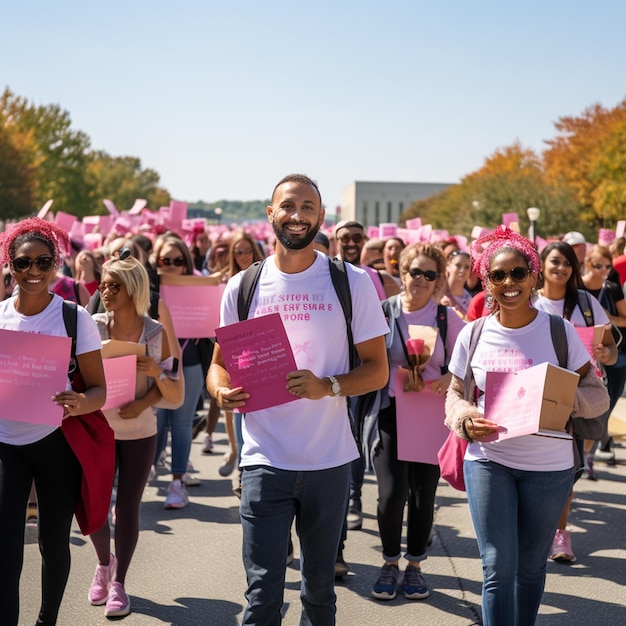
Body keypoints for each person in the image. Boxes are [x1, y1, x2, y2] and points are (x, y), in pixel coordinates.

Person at [207, 173, 389, 626]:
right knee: (262, 597)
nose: (297, 216)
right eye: (288, 206)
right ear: (271, 214)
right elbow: (218, 365)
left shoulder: (352, 282)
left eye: (308, 207)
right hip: (263, 460)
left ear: (321, 217)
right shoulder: (243, 286)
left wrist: (326, 386)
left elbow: (377, 369)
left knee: (319, 594)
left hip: (329, 461)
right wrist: (221, 391)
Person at [444, 225, 608, 626]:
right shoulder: (473, 334)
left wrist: (558, 401)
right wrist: (465, 419)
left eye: (518, 273)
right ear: (487, 281)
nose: (509, 282)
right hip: (488, 462)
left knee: (532, 568)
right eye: (497, 275)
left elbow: (597, 395)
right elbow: (453, 394)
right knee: (497, 569)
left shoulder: (558, 330)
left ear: (533, 275)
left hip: (548, 469)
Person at [0, 218, 107, 626]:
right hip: (6, 444)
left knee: (52, 543)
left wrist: (79, 402)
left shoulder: (73, 318)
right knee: (5, 549)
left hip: (56, 443)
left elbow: (99, 391)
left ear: (56, 265)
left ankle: (47, 621)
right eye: (23, 263)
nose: (33, 272)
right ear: (9, 264)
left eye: (43, 262)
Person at [87, 255, 183, 617]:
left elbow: (172, 391)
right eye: (104, 284)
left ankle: (119, 584)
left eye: (114, 286)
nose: (105, 292)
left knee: (127, 507)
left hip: (140, 431)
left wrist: (151, 383)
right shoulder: (91, 325)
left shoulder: (155, 332)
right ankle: (102, 563)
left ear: (134, 290)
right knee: (94, 505)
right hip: (96, 429)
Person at [370, 243, 465, 601]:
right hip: (392, 413)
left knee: (423, 495)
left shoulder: (446, 318)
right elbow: (367, 358)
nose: (421, 280)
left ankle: (415, 566)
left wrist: (446, 380)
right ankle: (390, 561)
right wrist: (393, 374)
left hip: (431, 415)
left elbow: (466, 364)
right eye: (415, 272)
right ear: (402, 273)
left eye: (430, 274)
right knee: (391, 494)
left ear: (439, 279)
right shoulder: (384, 313)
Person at [534, 241, 617, 562]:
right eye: (555, 261)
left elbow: (610, 349)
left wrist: (604, 353)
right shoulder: (529, 303)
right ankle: (539, 530)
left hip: (578, 397)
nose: (562, 268)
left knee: (568, 470)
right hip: (539, 397)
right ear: (541, 264)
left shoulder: (586, 303)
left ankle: (559, 535)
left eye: (568, 263)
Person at [151, 234, 212, 507]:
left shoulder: (199, 287)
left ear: (186, 262)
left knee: (182, 423)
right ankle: (151, 465)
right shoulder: (147, 290)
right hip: (154, 364)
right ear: (156, 261)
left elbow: (212, 327)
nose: (172, 265)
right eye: (166, 260)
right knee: (158, 423)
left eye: (178, 260)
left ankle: (177, 483)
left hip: (190, 363)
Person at [581, 244, 626, 464]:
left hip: (613, 353)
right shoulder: (576, 289)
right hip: (583, 356)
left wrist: (607, 316)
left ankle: (589, 453)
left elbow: (625, 320)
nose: (603, 270)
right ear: (588, 264)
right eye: (598, 265)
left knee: (605, 405)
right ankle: (581, 454)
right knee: (583, 408)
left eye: (607, 266)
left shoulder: (612, 289)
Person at [439, 249, 473, 318]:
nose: (462, 270)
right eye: (458, 265)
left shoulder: (469, 300)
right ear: (448, 266)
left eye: (467, 267)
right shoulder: (437, 292)